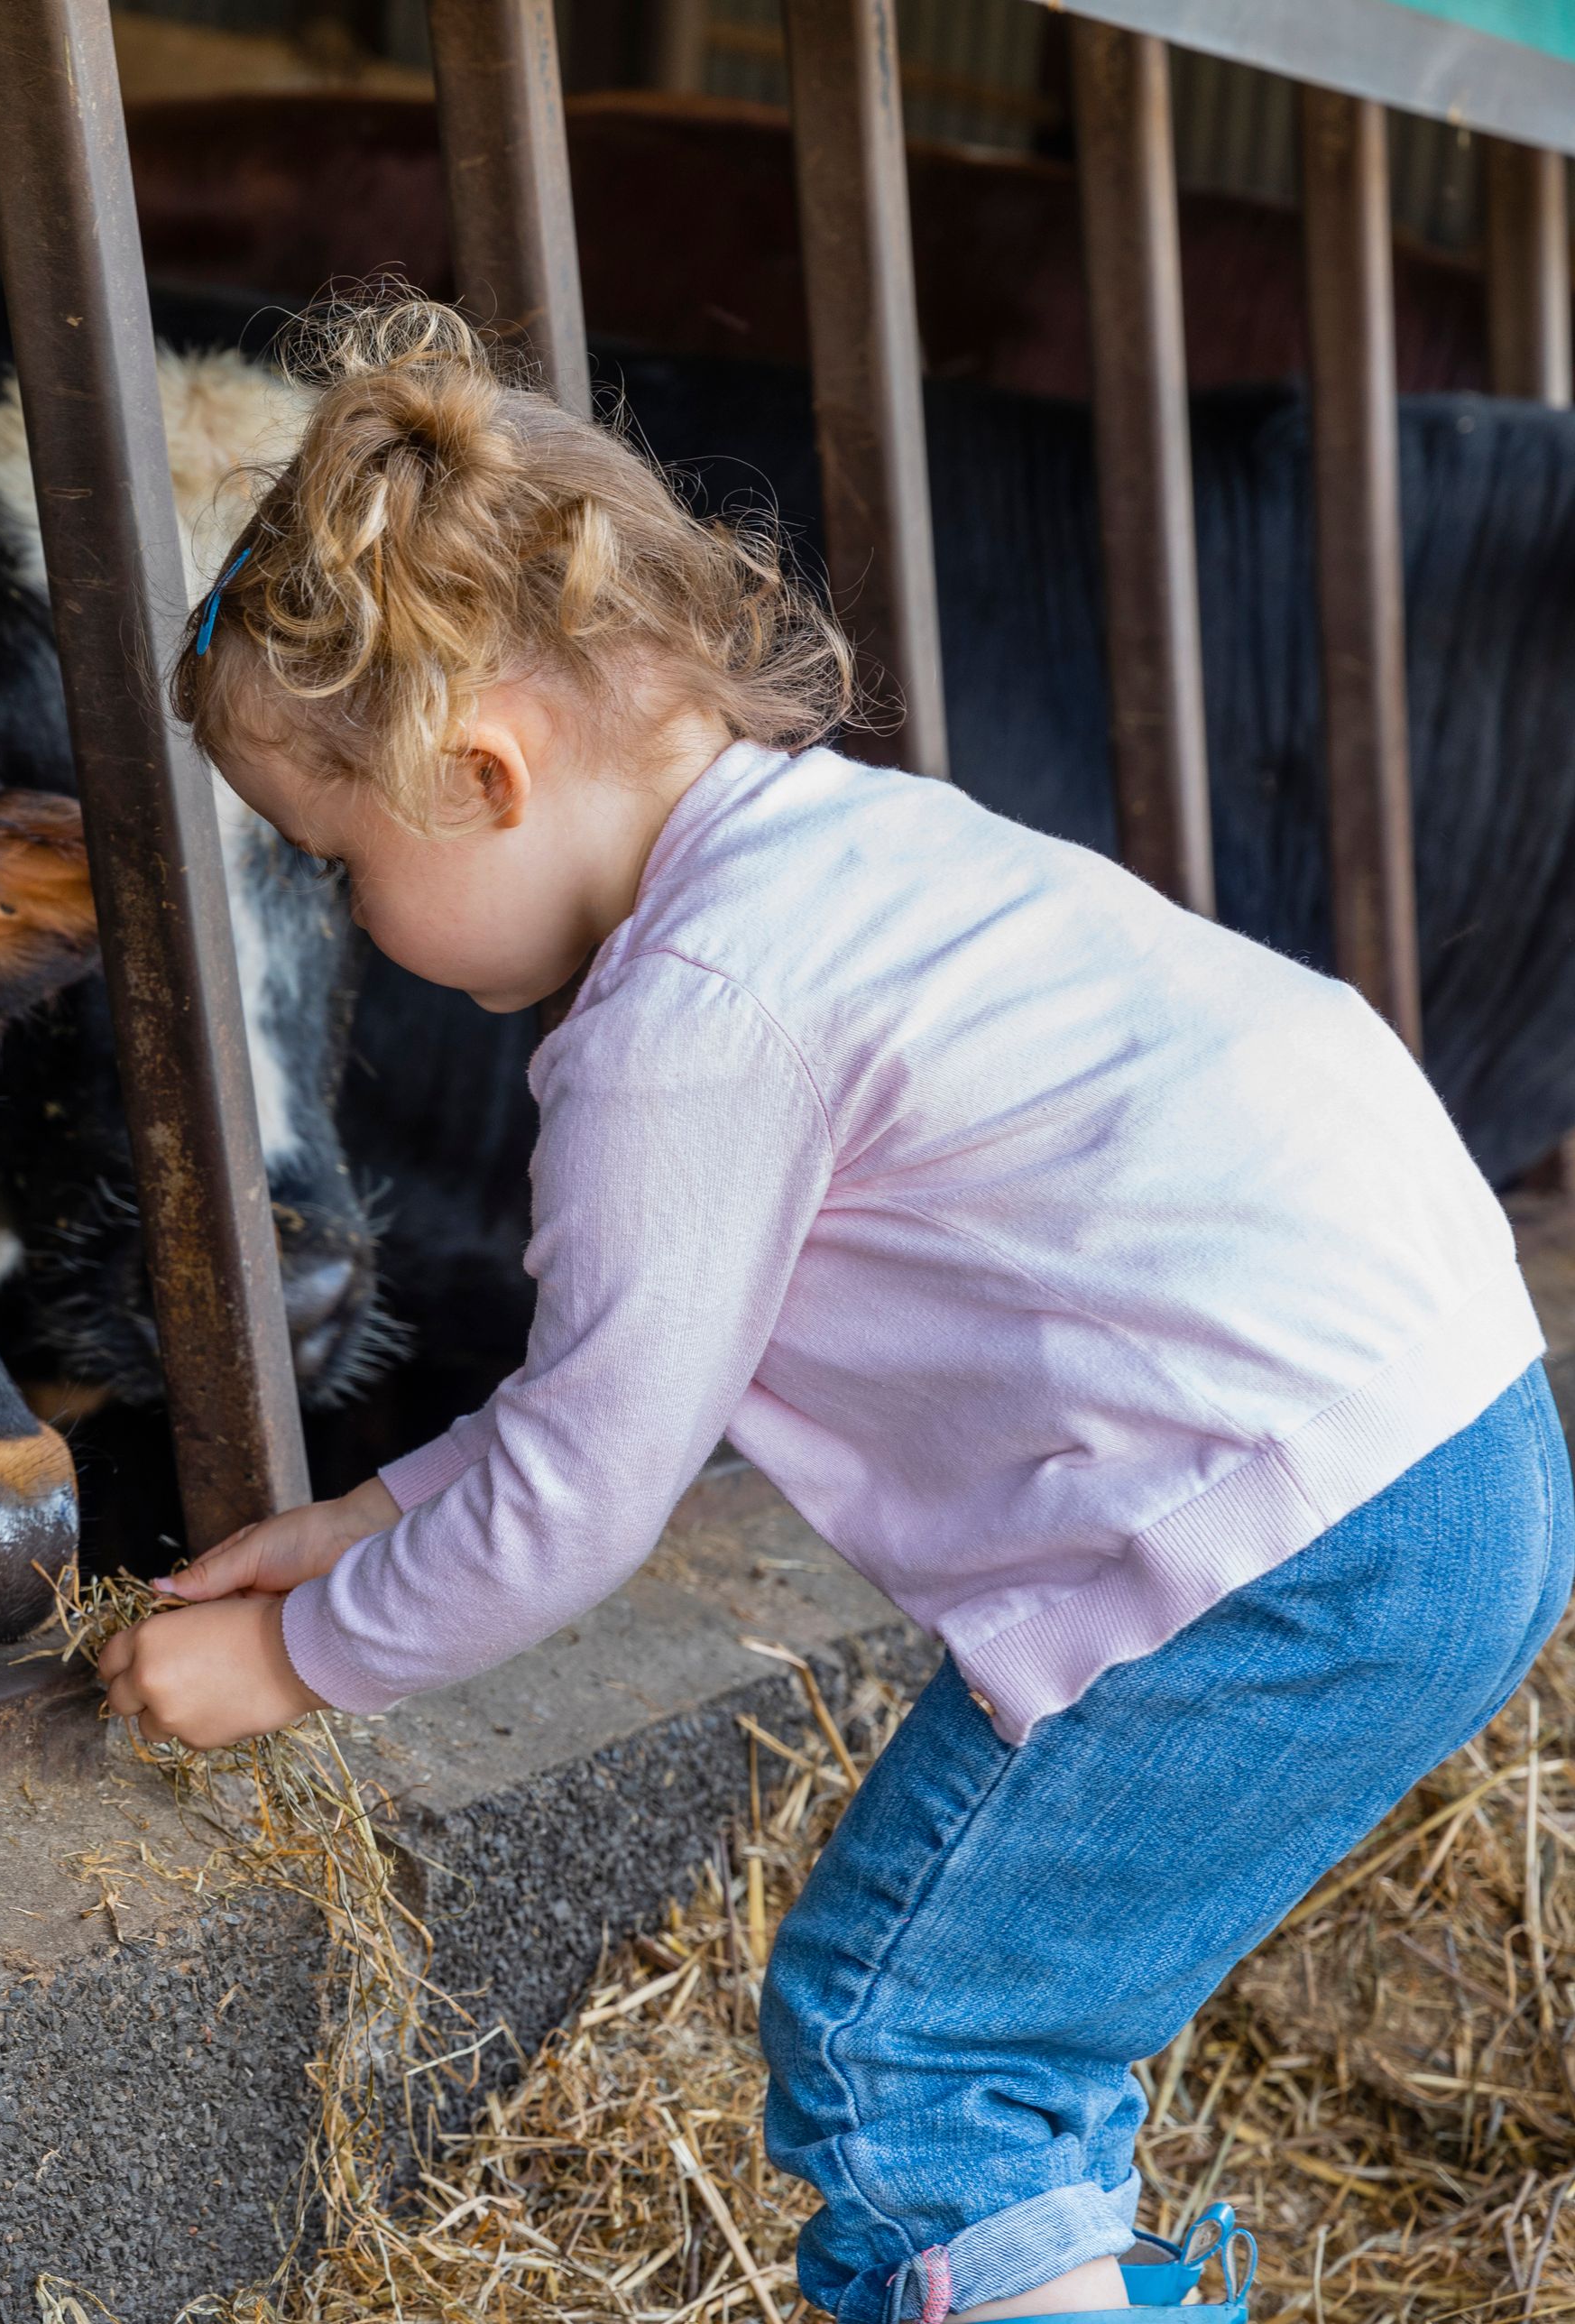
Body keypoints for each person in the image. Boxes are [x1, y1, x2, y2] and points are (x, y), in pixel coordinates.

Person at [96, 296, 1567, 2323]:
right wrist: (368, 1517)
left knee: (908, 2051)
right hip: (1450, 1444)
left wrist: (300, 1665)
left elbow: (588, 1503)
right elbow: (601, 1408)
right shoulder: (840, 848)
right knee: (1011, 2033)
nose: (356, 918)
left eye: (335, 860)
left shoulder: (679, 1030)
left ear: (482, 770)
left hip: (1283, 1540)